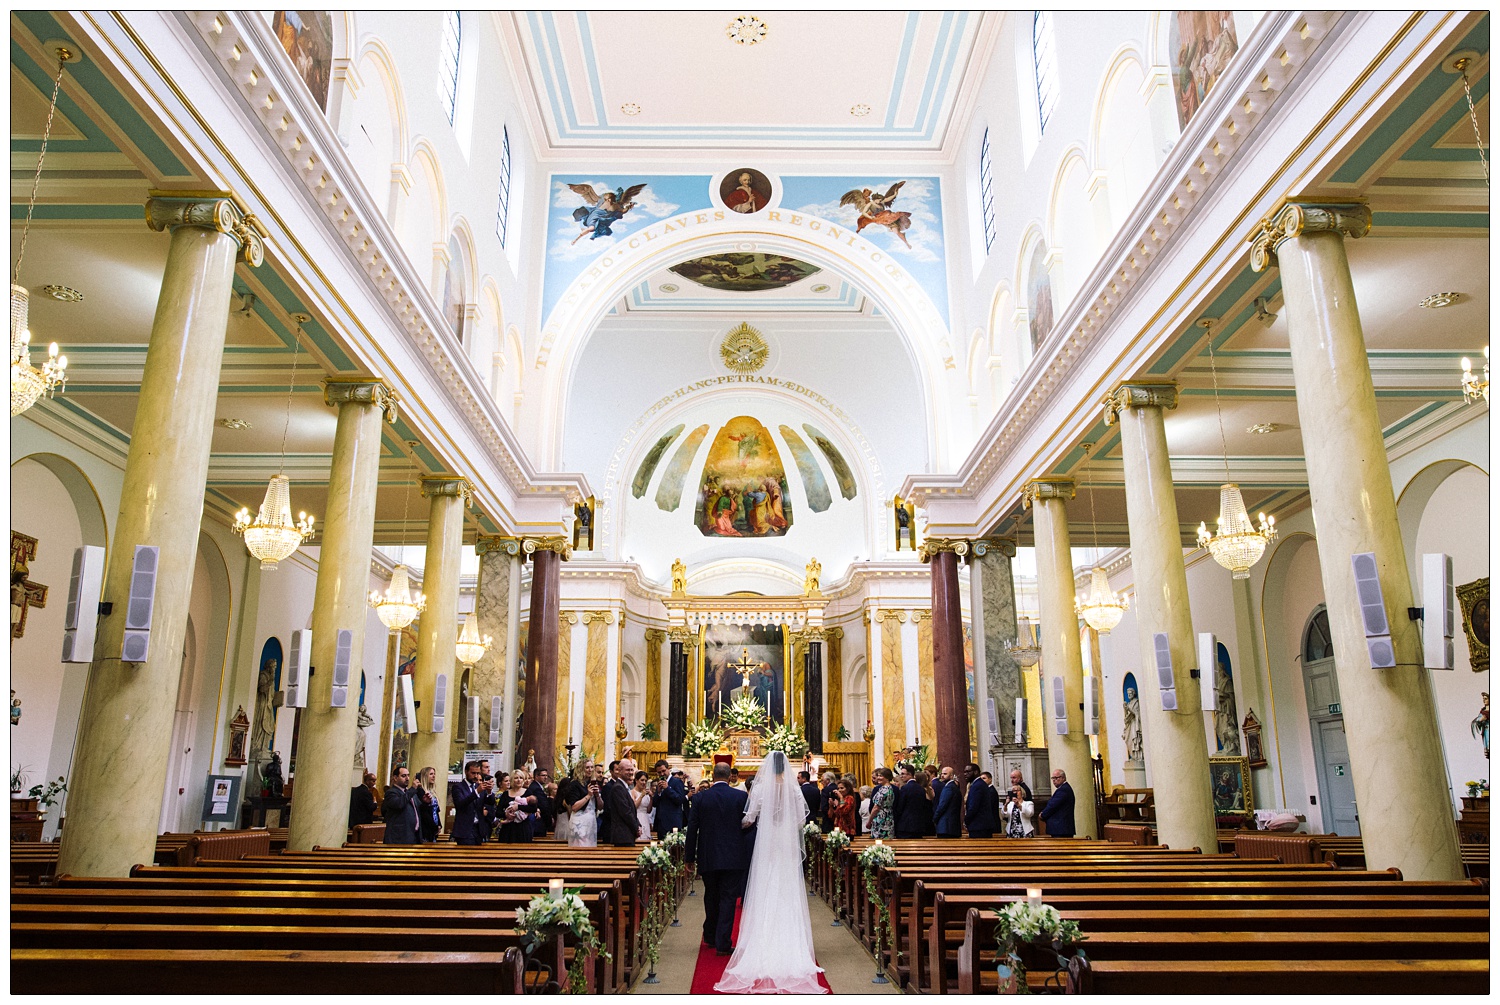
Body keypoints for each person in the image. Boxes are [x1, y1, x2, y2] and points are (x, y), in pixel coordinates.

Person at [714, 751, 826, 994]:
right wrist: (782, 825)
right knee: (786, 889)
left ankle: (762, 943)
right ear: (784, 766)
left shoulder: (762, 788)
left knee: (764, 888)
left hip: (766, 845)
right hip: (784, 846)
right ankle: (791, 944)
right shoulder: (793, 788)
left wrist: (731, 826)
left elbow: (749, 819)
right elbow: (800, 820)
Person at [685, 762, 754, 960]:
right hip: (734, 856)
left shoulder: (700, 798)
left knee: (711, 895)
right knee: (728, 899)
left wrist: (690, 857)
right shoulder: (741, 796)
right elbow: (748, 824)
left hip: (708, 854)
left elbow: (692, 829)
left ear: (713, 776)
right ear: (729, 776)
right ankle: (723, 942)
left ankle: (710, 935)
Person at [558, 759, 600, 847]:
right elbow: (574, 807)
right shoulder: (574, 784)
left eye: (592, 767)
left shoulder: (592, 783)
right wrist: (588, 795)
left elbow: (600, 807)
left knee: (591, 848)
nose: (590, 770)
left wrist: (597, 795)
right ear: (581, 769)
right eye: (587, 767)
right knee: (580, 847)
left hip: (591, 821)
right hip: (579, 822)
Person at [451, 760, 493, 846]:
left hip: (479, 830)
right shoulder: (458, 787)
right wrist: (476, 792)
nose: (476, 776)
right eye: (473, 773)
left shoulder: (478, 786)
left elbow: (490, 803)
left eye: (478, 773)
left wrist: (489, 792)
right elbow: (460, 804)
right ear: (466, 772)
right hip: (465, 830)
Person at [601, 756, 641, 846]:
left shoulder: (623, 786)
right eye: (627, 770)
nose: (631, 772)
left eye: (632, 769)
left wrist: (638, 825)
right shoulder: (618, 788)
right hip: (622, 835)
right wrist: (636, 828)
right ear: (619, 771)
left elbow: (631, 810)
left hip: (627, 834)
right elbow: (625, 812)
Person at [496, 769, 538, 843]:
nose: (519, 780)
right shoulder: (506, 794)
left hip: (523, 827)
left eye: (521, 778)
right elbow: (497, 812)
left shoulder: (528, 792)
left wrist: (518, 807)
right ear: (512, 780)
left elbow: (533, 809)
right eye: (516, 778)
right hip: (508, 828)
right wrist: (506, 814)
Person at [381, 766, 420, 844]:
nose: (407, 778)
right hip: (398, 837)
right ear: (395, 778)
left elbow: (417, 810)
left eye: (408, 775)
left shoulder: (409, 793)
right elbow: (399, 804)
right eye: (403, 776)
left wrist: (426, 802)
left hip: (412, 835)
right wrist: (412, 789)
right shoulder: (391, 793)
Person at [652, 760, 687, 839]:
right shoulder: (659, 784)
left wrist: (667, 788)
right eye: (659, 772)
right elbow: (655, 803)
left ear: (668, 769)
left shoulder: (677, 782)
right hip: (661, 823)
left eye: (663, 771)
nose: (662, 774)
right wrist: (658, 792)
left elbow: (679, 800)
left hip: (673, 822)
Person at [963, 763, 1000, 839]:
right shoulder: (978, 784)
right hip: (981, 825)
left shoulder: (977, 785)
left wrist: (966, 820)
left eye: (968, 772)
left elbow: (973, 807)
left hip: (979, 826)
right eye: (964, 772)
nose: (965, 774)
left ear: (976, 772)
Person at [892, 763, 927, 839]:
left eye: (903, 774)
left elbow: (900, 806)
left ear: (910, 774)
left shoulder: (905, 788)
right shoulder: (921, 788)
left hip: (905, 825)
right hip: (918, 825)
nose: (901, 776)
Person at [1039, 769, 1076, 838]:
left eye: (1056, 778)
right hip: (1061, 828)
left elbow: (1052, 806)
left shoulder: (1063, 790)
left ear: (1063, 778)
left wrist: (1042, 815)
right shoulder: (1063, 789)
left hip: (1061, 829)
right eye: (1053, 778)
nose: (1054, 780)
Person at [411, 765, 442, 843]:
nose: (434, 776)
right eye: (431, 774)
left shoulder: (432, 792)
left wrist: (439, 824)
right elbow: (423, 812)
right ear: (425, 776)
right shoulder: (421, 791)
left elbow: (436, 811)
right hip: (426, 827)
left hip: (433, 826)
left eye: (434, 774)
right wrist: (434, 827)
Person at [933, 765, 961, 838]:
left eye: (945, 774)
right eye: (942, 774)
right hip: (952, 826)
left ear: (951, 776)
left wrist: (935, 818)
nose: (942, 776)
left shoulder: (949, 788)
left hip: (946, 826)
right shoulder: (954, 787)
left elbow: (942, 805)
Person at [868, 767, 896, 839]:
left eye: (881, 776)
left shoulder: (883, 790)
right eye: (878, 776)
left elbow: (876, 808)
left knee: (879, 841)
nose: (878, 778)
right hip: (888, 817)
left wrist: (869, 821)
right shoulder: (890, 788)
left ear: (887, 778)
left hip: (881, 819)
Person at [528, 768, 555, 838]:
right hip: (539, 823)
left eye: (546, 775)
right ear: (536, 776)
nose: (546, 777)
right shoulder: (536, 788)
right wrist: (549, 821)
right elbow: (544, 806)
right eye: (543, 775)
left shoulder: (536, 786)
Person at [631, 770, 654, 843]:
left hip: (645, 818)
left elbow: (648, 810)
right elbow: (633, 807)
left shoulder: (646, 792)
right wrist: (641, 796)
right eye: (642, 780)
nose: (644, 782)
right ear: (636, 780)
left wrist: (651, 798)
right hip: (637, 817)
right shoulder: (632, 792)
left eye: (645, 781)